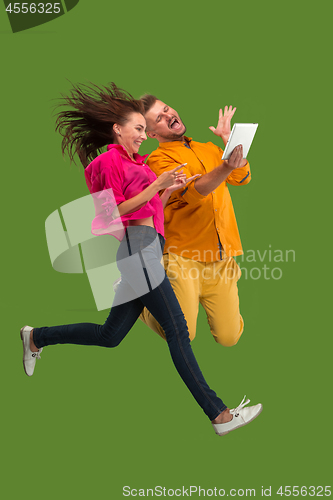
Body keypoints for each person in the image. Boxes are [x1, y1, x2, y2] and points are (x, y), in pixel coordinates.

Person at [20, 83, 262, 436]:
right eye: (139, 130)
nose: (143, 137)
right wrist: (156, 187)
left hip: (148, 247)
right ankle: (220, 416)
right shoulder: (105, 163)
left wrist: (167, 192)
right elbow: (109, 216)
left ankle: (35, 337)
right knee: (179, 330)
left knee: (110, 335)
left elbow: (150, 211)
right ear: (118, 129)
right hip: (137, 248)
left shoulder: (137, 164)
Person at [139, 96, 250, 347]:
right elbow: (193, 193)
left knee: (229, 338)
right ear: (152, 133)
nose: (168, 116)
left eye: (166, 109)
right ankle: (141, 302)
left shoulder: (208, 148)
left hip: (221, 257)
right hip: (182, 256)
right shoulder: (158, 161)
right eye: (159, 118)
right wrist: (225, 167)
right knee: (181, 333)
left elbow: (242, 177)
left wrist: (227, 141)